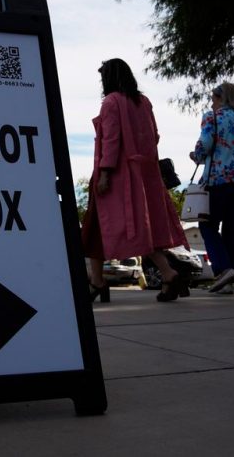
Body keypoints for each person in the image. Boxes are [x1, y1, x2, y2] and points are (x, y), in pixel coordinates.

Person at [81, 58, 190, 303]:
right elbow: (155, 136)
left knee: (111, 228)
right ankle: (100, 280)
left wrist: (105, 172)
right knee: (126, 229)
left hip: (117, 177)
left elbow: (110, 139)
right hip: (144, 175)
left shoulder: (111, 102)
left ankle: (101, 281)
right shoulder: (144, 102)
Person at [189, 83, 234, 294]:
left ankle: (223, 269)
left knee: (207, 225)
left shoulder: (212, 117)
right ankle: (227, 281)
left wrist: (196, 156)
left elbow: (205, 144)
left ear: (222, 98)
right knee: (232, 227)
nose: (212, 103)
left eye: (214, 98)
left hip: (221, 179)